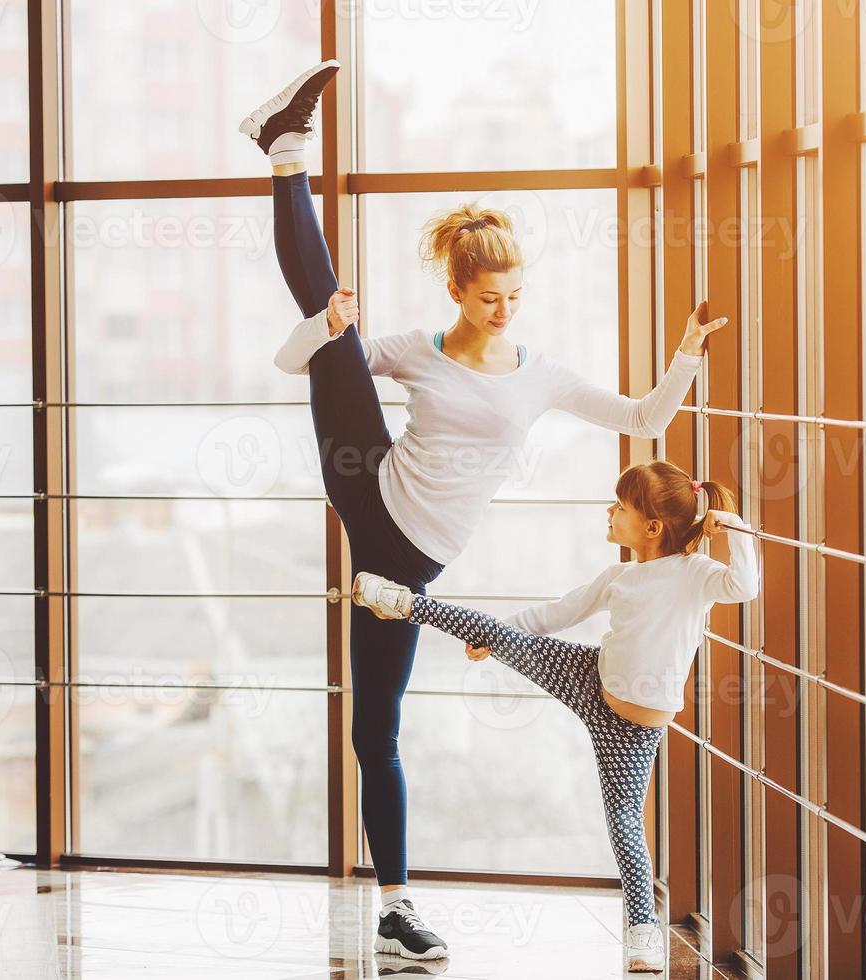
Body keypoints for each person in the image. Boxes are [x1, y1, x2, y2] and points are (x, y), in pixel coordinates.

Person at [239, 63, 731, 960]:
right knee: (329, 320)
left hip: (409, 562)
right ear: (458, 293)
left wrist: (688, 352)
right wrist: (328, 326)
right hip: (372, 494)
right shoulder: (415, 353)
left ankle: (392, 913)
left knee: (374, 727)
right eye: (489, 298)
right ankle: (285, 153)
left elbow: (645, 420)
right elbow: (289, 362)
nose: (505, 311)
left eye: (515, 298)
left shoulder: (539, 372)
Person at [352, 460, 759, 971]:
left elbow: (745, 586)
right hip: (589, 678)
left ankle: (642, 933)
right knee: (492, 629)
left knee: (625, 826)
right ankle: (404, 603)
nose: (609, 511)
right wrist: (498, 637)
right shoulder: (619, 577)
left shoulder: (697, 576)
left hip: (632, 732)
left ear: (652, 527)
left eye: (621, 507)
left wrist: (736, 531)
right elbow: (558, 613)